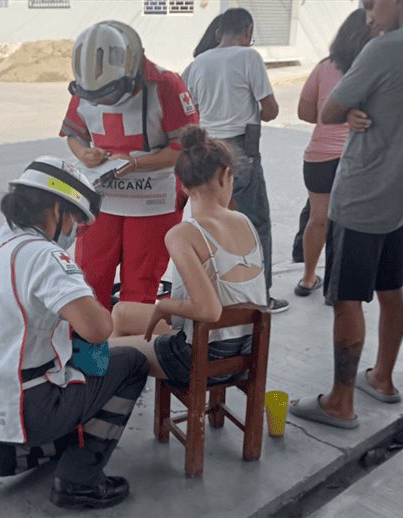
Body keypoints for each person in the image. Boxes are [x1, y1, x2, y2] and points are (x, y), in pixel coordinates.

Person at [0, 157, 149, 510]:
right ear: (57, 209)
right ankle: (80, 480)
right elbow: (99, 329)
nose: (75, 233)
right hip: (27, 404)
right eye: (76, 222)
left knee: (74, 395)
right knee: (127, 362)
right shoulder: (44, 255)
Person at [289, 0, 403, 428]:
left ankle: (340, 402)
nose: (367, 17)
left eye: (369, 6)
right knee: (390, 285)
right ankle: (382, 378)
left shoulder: (385, 48)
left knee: (347, 298)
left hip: (363, 192)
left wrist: (349, 108)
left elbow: (326, 112)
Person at [109, 126, 268, 386]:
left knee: (107, 351)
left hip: (204, 357)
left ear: (182, 185)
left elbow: (208, 310)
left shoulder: (182, 234)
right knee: (121, 313)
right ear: (226, 175)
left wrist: (164, 306)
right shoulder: (244, 221)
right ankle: (113, 380)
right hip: (246, 349)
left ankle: (103, 397)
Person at [59, 20, 199, 310]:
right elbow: (75, 135)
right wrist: (85, 154)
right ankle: (90, 351)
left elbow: (184, 148)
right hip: (102, 201)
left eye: (109, 93)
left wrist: (136, 162)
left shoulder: (166, 85)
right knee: (90, 279)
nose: (105, 101)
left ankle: (129, 349)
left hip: (153, 201)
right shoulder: (88, 83)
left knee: (140, 286)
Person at [183, 7, 289, 313]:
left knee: (210, 223)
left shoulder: (196, 64)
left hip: (204, 149)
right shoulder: (249, 57)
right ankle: (260, 296)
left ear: (218, 33)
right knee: (256, 223)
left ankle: (214, 295)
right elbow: (270, 110)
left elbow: (189, 111)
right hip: (239, 150)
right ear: (248, 32)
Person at [294, 9, 373, 298]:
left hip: (319, 157)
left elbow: (304, 112)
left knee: (318, 219)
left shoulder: (324, 66)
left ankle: (307, 277)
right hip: (358, 157)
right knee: (350, 225)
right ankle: (339, 289)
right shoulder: (373, 67)